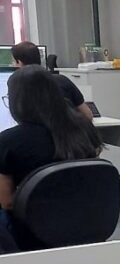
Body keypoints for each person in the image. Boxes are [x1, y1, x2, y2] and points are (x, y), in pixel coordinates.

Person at [0, 65, 102, 213]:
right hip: (88, 217)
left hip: (34, 223)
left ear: (17, 102)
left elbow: (7, 203)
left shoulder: (9, 141)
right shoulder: (84, 128)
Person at [10, 41, 94, 120]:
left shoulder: (19, 85)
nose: (12, 65)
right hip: (65, 130)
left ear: (19, 62)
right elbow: (88, 115)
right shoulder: (62, 80)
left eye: (13, 62)